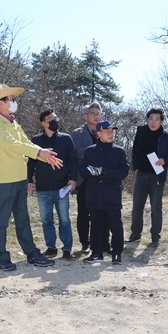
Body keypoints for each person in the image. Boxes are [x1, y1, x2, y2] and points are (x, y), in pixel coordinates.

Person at [0, 84, 63, 271]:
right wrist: (38, 151)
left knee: (23, 218)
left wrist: (41, 154)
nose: (14, 102)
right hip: (5, 179)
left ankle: (31, 253)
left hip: (19, 176)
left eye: (13, 99)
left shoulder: (12, 122)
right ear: (1, 103)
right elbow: (13, 144)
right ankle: (2, 257)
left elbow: (25, 142)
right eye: (11, 100)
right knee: (2, 220)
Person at [27, 109, 78, 260]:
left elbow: (73, 160)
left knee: (64, 219)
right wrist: (28, 180)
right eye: (51, 118)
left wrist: (73, 178)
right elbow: (30, 162)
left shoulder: (66, 139)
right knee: (46, 220)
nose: (55, 121)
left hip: (62, 187)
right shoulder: (35, 141)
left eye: (56, 117)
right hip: (42, 188)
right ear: (43, 123)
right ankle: (51, 248)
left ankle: (67, 249)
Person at [126, 108, 168, 245]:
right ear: (147, 119)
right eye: (151, 118)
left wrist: (164, 160)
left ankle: (155, 235)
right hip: (141, 174)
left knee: (156, 207)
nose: (153, 122)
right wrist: (136, 167)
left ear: (161, 121)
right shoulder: (141, 132)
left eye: (157, 119)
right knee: (137, 205)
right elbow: (135, 151)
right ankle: (135, 233)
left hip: (157, 176)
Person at [79, 121, 129, 265]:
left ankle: (117, 254)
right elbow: (81, 170)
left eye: (112, 132)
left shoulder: (119, 151)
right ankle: (96, 253)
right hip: (93, 193)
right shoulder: (89, 151)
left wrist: (105, 173)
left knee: (115, 225)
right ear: (98, 133)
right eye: (107, 132)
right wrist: (91, 171)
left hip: (112, 194)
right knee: (95, 224)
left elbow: (123, 171)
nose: (110, 134)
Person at [71, 102, 110, 254]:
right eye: (92, 113)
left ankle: (104, 242)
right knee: (83, 213)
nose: (96, 116)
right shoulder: (77, 133)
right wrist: (94, 151)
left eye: (98, 113)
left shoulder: (105, 130)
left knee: (104, 212)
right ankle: (85, 243)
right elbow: (76, 152)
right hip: (85, 179)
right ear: (85, 115)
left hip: (103, 178)